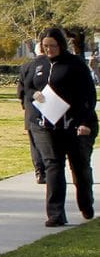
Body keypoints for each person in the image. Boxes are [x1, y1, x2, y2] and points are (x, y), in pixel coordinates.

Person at [21, 28, 97, 226]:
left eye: (53, 46)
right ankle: (55, 214)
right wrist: (34, 95)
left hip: (71, 125)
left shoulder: (75, 64)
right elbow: (26, 87)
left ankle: (85, 203)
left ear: (61, 45)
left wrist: (84, 122)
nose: (49, 50)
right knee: (53, 165)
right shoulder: (38, 65)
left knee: (79, 168)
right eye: (45, 46)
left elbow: (88, 95)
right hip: (45, 125)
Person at [18, 52, 47, 184]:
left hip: (32, 111)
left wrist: (24, 104)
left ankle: (39, 171)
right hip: (49, 110)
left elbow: (21, 91)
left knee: (34, 144)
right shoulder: (52, 66)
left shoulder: (27, 66)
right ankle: (48, 169)